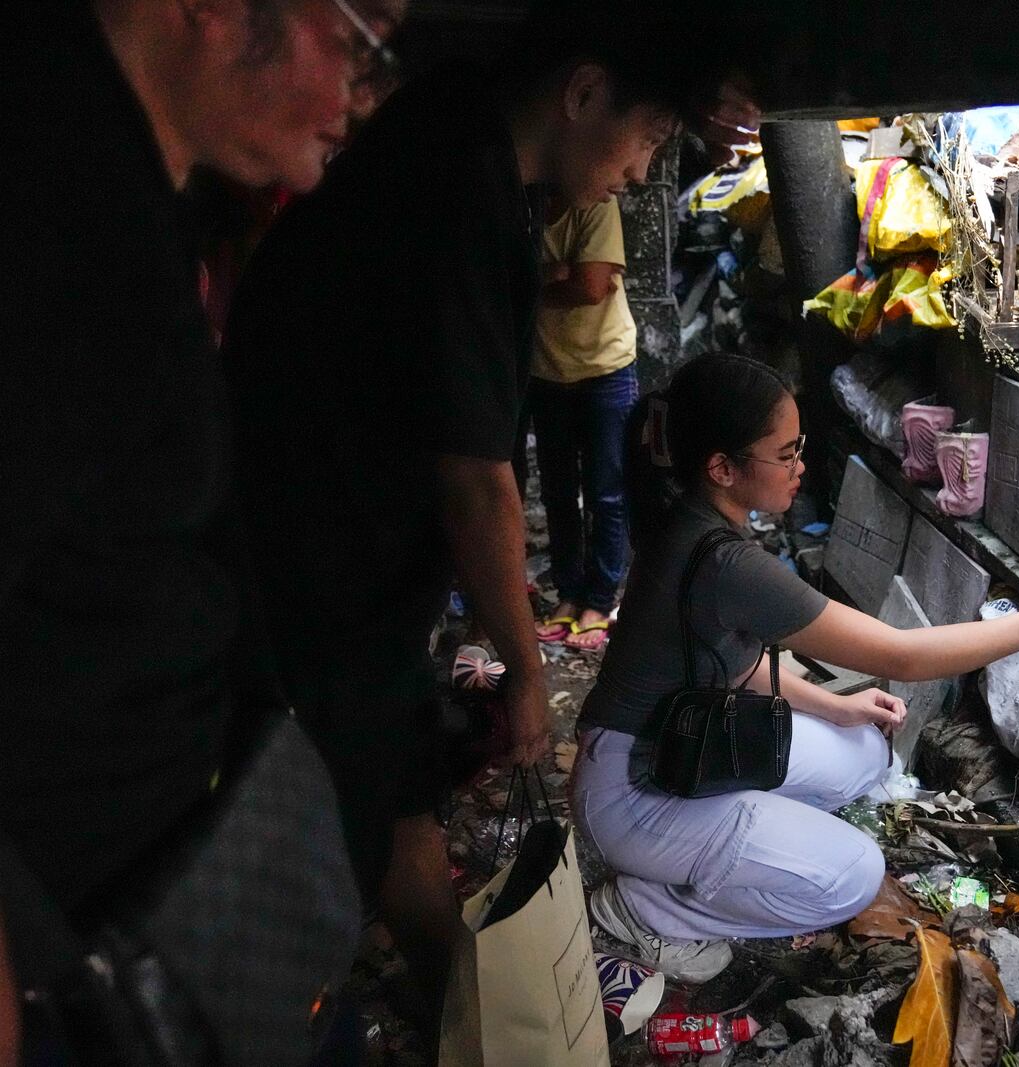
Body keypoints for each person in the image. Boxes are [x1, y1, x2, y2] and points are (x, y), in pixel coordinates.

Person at [225, 15, 758, 1029]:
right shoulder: (459, 193)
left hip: (325, 532)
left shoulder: (446, 135)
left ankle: (453, 997)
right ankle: (462, 1014)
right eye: (647, 137)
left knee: (388, 776)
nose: (642, 172)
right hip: (323, 548)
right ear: (583, 90)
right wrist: (523, 667)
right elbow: (477, 477)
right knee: (380, 792)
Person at [0, 0, 402, 1057]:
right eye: (358, 41)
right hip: (82, 946)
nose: (363, 94)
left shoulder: (126, 182)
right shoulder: (45, 208)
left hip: (182, 860)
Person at [572, 354, 1019, 982]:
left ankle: (731, 843)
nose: (799, 465)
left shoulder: (696, 523)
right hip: (632, 793)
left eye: (799, 445)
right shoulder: (726, 562)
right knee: (853, 877)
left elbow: (732, 661)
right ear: (722, 469)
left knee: (864, 749)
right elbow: (901, 655)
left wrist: (836, 706)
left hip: (674, 748)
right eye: (784, 454)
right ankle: (648, 909)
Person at [529, 195, 641, 651]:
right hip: (546, 370)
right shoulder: (525, 208)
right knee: (558, 491)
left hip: (606, 367)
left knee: (607, 491)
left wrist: (536, 279)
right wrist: (563, 275)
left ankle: (599, 599)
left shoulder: (595, 204)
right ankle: (569, 594)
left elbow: (592, 287)